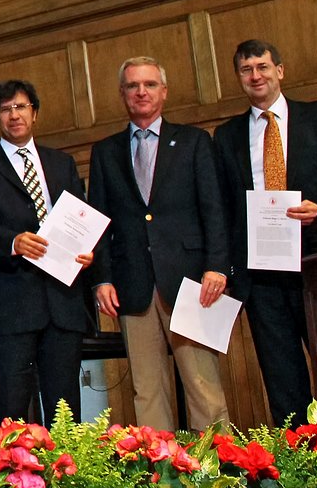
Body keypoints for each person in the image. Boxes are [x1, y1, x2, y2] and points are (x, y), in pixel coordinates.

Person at [213, 39, 317, 426]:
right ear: (239, 78)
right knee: (282, 383)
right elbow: (224, 207)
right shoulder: (225, 136)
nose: (255, 76)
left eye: (262, 66)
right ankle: (299, 466)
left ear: (280, 70)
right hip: (261, 279)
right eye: (246, 70)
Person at [88, 56, 230, 432]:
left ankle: (217, 470)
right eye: (133, 86)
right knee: (146, 389)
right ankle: (160, 470)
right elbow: (98, 222)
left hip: (190, 283)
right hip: (132, 284)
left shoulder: (194, 142)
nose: (141, 92)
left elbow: (214, 209)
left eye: (149, 84)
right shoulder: (105, 151)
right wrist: (101, 278)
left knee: (202, 384)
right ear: (122, 94)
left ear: (163, 92)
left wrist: (217, 265)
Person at [0, 79, 93, 427]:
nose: (14, 115)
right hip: (9, 308)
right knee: (12, 415)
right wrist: (11, 243)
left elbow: (83, 218)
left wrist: (87, 251)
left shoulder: (61, 163)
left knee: (67, 416)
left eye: (21, 107)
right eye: (5, 109)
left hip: (62, 305)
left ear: (34, 113)